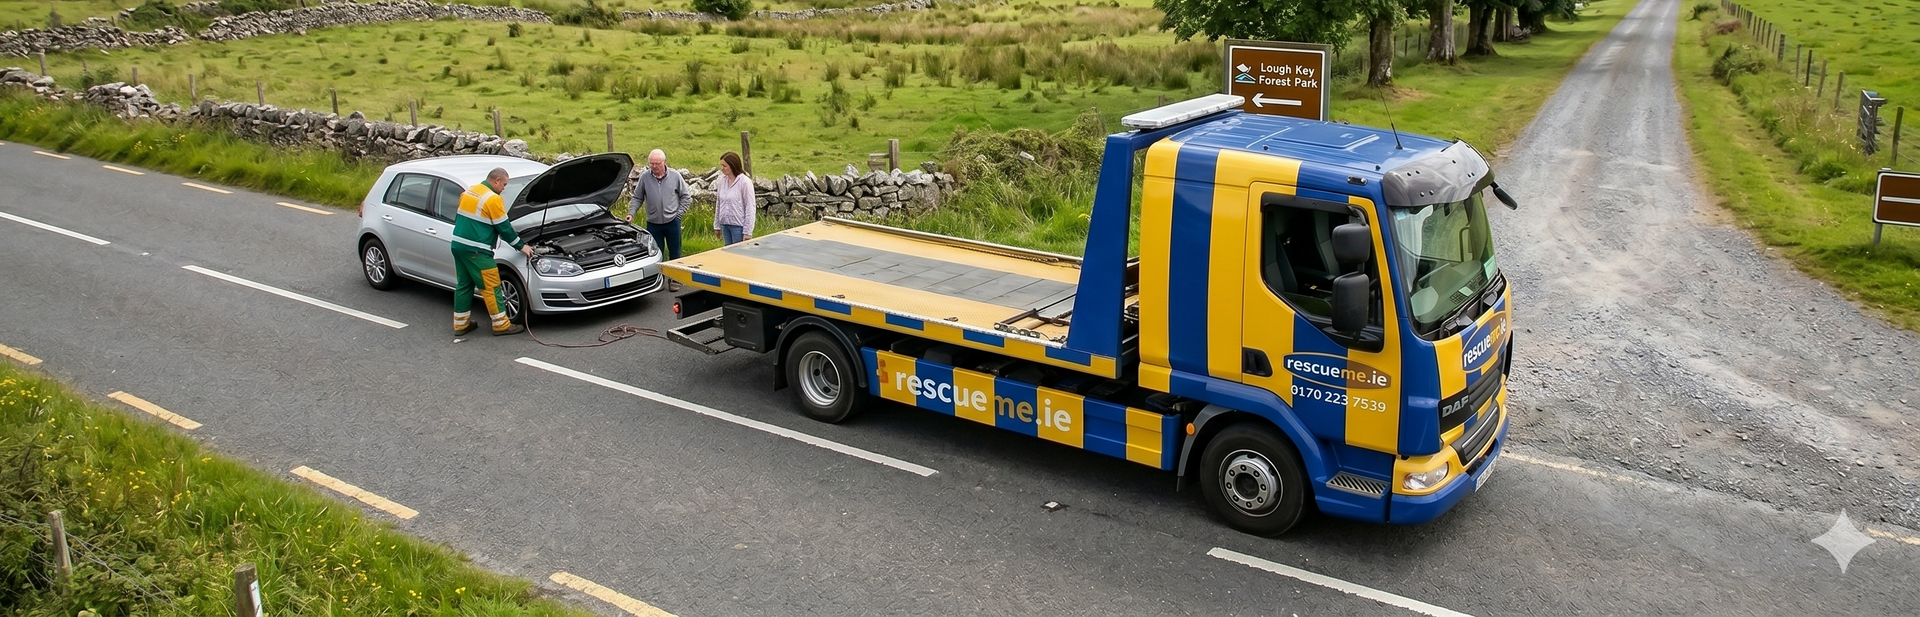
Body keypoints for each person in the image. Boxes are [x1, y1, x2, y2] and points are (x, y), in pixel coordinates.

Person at [452, 167, 533, 337]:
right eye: (504, 184)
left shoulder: (470, 191)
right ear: (496, 181)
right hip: (477, 250)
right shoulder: (493, 199)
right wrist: (521, 246)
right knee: (492, 285)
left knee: (464, 285)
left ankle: (461, 324)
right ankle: (501, 324)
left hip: (458, 246)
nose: (504, 188)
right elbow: (504, 228)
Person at [626, 149, 691, 262]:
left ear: (664, 162)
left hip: (672, 222)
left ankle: (674, 277)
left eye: (657, 163)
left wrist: (678, 215)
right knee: (656, 254)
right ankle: (660, 278)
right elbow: (637, 198)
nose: (654, 166)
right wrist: (631, 214)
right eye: (651, 163)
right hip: (653, 224)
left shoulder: (675, 176)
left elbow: (686, 197)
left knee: (675, 253)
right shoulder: (645, 177)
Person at [712, 151, 755, 246]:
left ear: (733, 166)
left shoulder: (744, 182)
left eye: (725, 166)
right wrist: (717, 225)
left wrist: (747, 232)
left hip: (738, 227)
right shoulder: (721, 180)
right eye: (721, 165)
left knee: (739, 255)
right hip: (725, 225)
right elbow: (719, 203)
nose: (722, 168)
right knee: (728, 255)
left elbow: (750, 207)